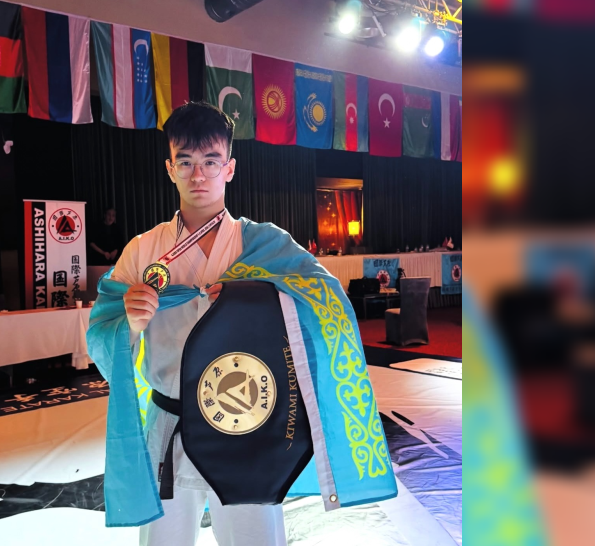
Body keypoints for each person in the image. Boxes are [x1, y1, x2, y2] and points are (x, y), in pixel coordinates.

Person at [87, 102, 397, 545]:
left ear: (229, 168)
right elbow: (102, 331)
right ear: (169, 169)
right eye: (186, 162)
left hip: (248, 420)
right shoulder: (142, 250)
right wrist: (130, 325)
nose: (198, 175)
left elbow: (329, 307)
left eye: (211, 161)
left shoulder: (267, 246)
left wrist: (257, 299)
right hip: (170, 422)